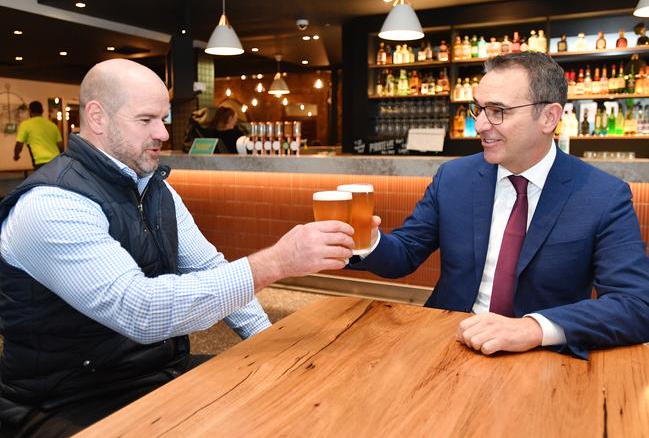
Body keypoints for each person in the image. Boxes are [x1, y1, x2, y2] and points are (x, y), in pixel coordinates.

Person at [0, 59, 354, 436]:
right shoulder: (51, 204)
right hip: (69, 401)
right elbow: (140, 311)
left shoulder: (156, 188)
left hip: (156, 376)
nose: (164, 134)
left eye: (164, 119)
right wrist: (277, 262)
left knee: (294, 407)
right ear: (97, 117)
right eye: (146, 120)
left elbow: (210, 268)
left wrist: (272, 343)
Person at [353, 52, 649, 359]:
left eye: (498, 111)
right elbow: (405, 253)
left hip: (541, 356)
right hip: (448, 340)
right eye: (479, 109)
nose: (480, 125)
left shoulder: (603, 195)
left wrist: (534, 328)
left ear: (549, 117)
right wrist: (366, 239)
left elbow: (636, 305)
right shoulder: (454, 177)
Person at [13, 100, 63, 170]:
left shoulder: (25, 124)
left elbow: (19, 144)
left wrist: (16, 156)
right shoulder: (52, 125)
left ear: (30, 111)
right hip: (56, 160)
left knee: (42, 181)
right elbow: (60, 145)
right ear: (42, 111)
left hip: (40, 161)